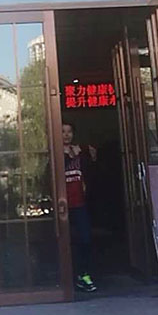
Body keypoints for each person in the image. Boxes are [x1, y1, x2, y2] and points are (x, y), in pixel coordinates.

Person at [62, 121, 97, 293]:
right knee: (65, 241)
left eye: (69, 131)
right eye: (63, 131)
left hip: (80, 203)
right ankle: (67, 278)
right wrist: (68, 156)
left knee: (85, 239)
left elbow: (90, 173)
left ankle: (84, 274)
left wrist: (91, 157)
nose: (66, 135)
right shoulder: (56, 153)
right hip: (63, 206)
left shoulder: (79, 153)